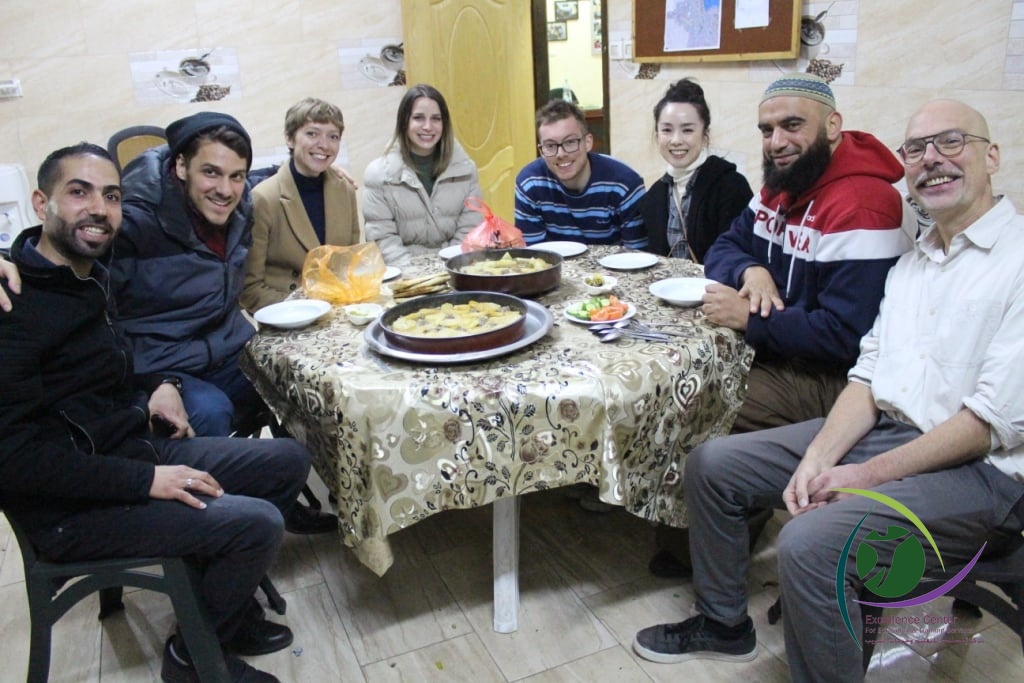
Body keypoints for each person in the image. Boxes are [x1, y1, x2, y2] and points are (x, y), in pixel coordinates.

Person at [634, 99, 1024, 682]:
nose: (930, 161)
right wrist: (816, 461)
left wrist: (860, 476)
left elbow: (985, 422)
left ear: (991, 155)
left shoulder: (1015, 259)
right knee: (714, 463)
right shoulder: (918, 262)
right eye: (915, 149)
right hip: (888, 430)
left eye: (950, 143)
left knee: (810, 542)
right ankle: (723, 623)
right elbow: (867, 378)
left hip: (981, 472)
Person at [0, 143, 313, 683]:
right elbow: (16, 462)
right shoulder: (12, 305)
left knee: (286, 460)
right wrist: (146, 480)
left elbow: (115, 359)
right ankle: (193, 658)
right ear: (40, 202)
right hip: (70, 507)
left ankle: (220, 615)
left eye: (112, 196)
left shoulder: (87, 275)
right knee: (256, 524)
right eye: (79, 192)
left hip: (130, 446)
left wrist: (159, 385)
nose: (98, 208)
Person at [648, 73, 914, 580]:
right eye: (766, 130)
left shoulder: (861, 204)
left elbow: (847, 337)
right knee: (677, 371)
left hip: (842, 383)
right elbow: (726, 245)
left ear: (832, 126)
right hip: (786, 353)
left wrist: (752, 319)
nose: (777, 141)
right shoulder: (780, 186)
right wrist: (752, 269)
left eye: (792, 125)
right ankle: (701, 539)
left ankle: (711, 564)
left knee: (702, 397)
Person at [108, 111, 336, 533]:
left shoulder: (241, 203)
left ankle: (281, 498)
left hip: (226, 345)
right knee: (211, 414)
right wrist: (155, 380)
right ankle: (215, 532)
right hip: (161, 361)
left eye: (236, 176)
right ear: (180, 166)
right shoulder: (133, 223)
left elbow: (275, 178)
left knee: (295, 382)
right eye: (210, 173)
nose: (225, 189)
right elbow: (97, 310)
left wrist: (324, 171)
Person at [241, 98, 361, 313]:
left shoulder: (345, 191)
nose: (324, 144)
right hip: (286, 314)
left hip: (339, 312)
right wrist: (306, 306)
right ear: (290, 139)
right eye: (312, 133)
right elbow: (250, 290)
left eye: (333, 137)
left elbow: (349, 266)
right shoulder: (264, 198)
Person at [362, 84, 482, 265]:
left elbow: (470, 231)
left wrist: (450, 269)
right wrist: (419, 276)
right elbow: (383, 240)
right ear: (404, 123)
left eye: (436, 119)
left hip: (457, 271)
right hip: (405, 278)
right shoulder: (379, 175)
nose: (428, 126)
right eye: (418, 118)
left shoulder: (466, 170)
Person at [640, 78, 753, 262]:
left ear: (705, 134)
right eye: (667, 130)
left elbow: (739, 257)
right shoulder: (654, 196)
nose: (676, 140)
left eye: (687, 130)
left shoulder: (731, 187)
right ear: (657, 134)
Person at [515, 99, 647, 248]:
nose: (560, 154)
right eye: (550, 146)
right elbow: (535, 257)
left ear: (588, 143)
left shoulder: (625, 184)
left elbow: (639, 257)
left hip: (615, 270)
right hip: (555, 269)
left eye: (570, 142)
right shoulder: (530, 183)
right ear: (541, 151)